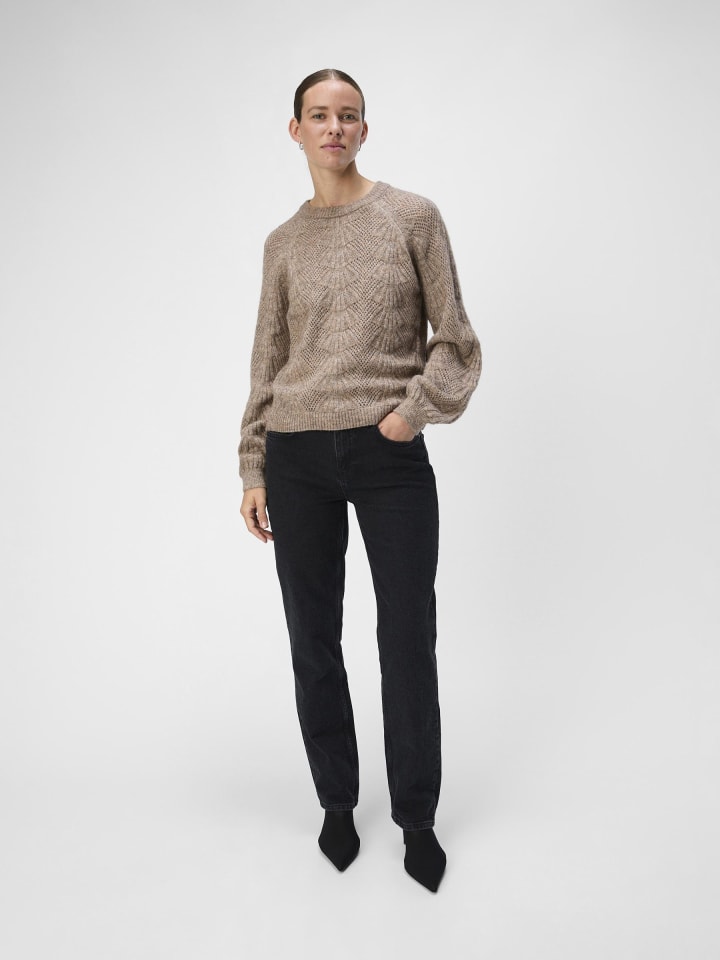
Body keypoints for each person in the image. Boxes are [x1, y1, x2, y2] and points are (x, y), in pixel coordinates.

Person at [238, 68, 481, 893]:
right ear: (296, 130)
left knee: (406, 637)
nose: (334, 128)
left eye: (348, 115)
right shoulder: (282, 243)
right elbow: (268, 360)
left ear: (365, 130)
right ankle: (337, 803)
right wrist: (253, 463)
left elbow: (457, 340)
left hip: (387, 456)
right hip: (296, 455)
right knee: (313, 637)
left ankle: (416, 817)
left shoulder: (412, 216)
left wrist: (411, 414)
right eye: (319, 115)